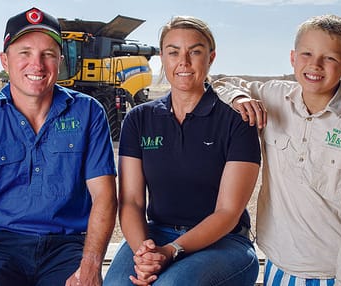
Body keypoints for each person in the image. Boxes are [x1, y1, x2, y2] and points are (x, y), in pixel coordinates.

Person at [0, 7, 117, 286]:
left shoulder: (88, 112)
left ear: (60, 60)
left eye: (47, 54)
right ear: (5, 60)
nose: (37, 64)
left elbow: (104, 196)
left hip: (66, 247)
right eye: (25, 53)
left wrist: (91, 266)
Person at [213, 14, 341, 285]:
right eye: (306, 53)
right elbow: (220, 83)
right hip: (277, 261)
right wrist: (239, 97)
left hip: (329, 270)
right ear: (293, 58)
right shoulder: (273, 96)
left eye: (329, 57)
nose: (315, 64)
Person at [103, 15, 261, 286]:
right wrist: (145, 253)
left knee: (171, 284)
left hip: (225, 243)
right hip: (156, 235)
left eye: (195, 52)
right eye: (173, 52)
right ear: (162, 58)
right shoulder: (139, 119)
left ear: (211, 57)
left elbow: (227, 212)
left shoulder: (237, 120)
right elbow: (131, 201)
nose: (183, 62)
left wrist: (172, 251)